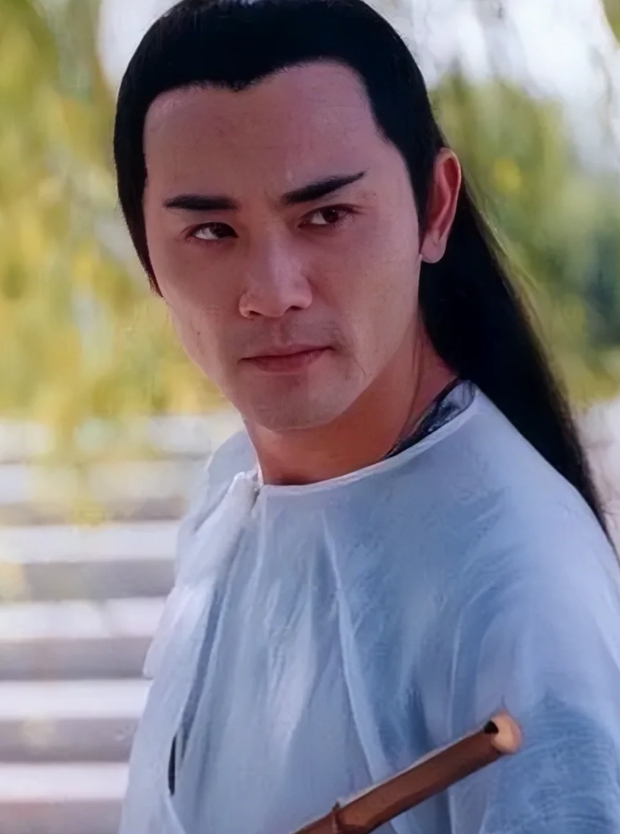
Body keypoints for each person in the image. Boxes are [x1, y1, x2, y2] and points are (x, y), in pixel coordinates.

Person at [113, 0, 620, 832]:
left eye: (325, 216)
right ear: (147, 253)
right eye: (211, 231)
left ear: (435, 209)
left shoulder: (521, 588)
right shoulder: (229, 499)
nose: (272, 291)